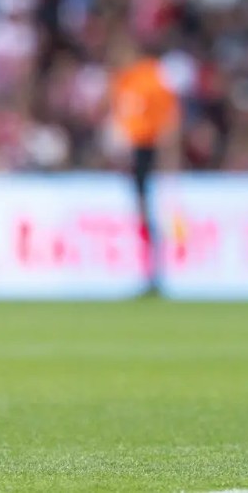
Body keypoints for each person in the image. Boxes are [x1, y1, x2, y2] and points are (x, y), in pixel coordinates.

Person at [107, 31, 181, 298]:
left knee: (153, 214)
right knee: (141, 213)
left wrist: (167, 160)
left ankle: (157, 272)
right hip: (132, 154)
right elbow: (120, 121)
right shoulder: (121, 81)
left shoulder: (151, 78)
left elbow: (167, 121)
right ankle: (148, 272)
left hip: (149, 151)